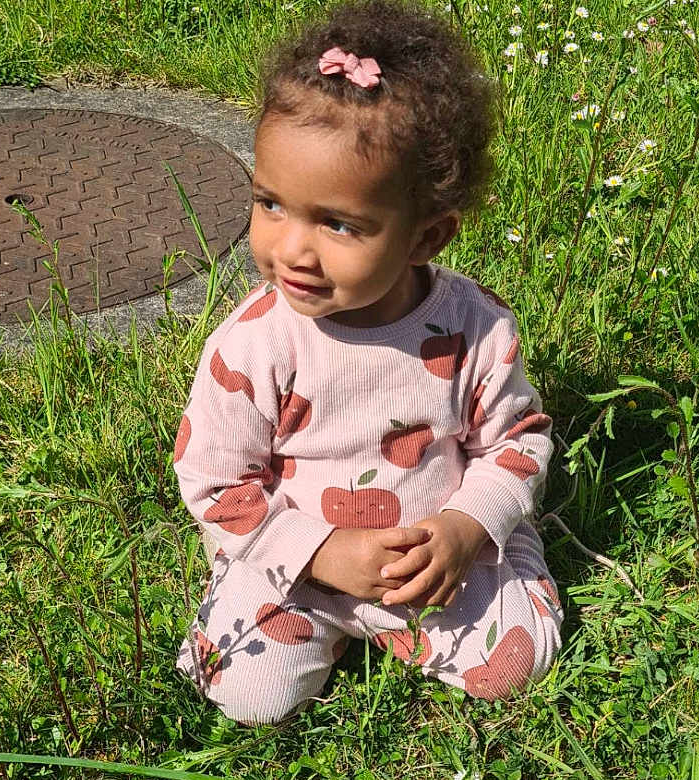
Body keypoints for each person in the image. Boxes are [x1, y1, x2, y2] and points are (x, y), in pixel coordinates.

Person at [172, 0, 562, 725]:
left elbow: (516, 441)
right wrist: (322, 553)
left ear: (426, 237)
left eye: (338, 224)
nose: (292, 248)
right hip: (296, 561)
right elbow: (217, 482)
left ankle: (511, 553)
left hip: (429, 561)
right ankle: (297, 615)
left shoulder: (474, 329)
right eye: (271, 204)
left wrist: (466, 528)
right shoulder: (254, 343)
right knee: (240, 688)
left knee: (517, 665)